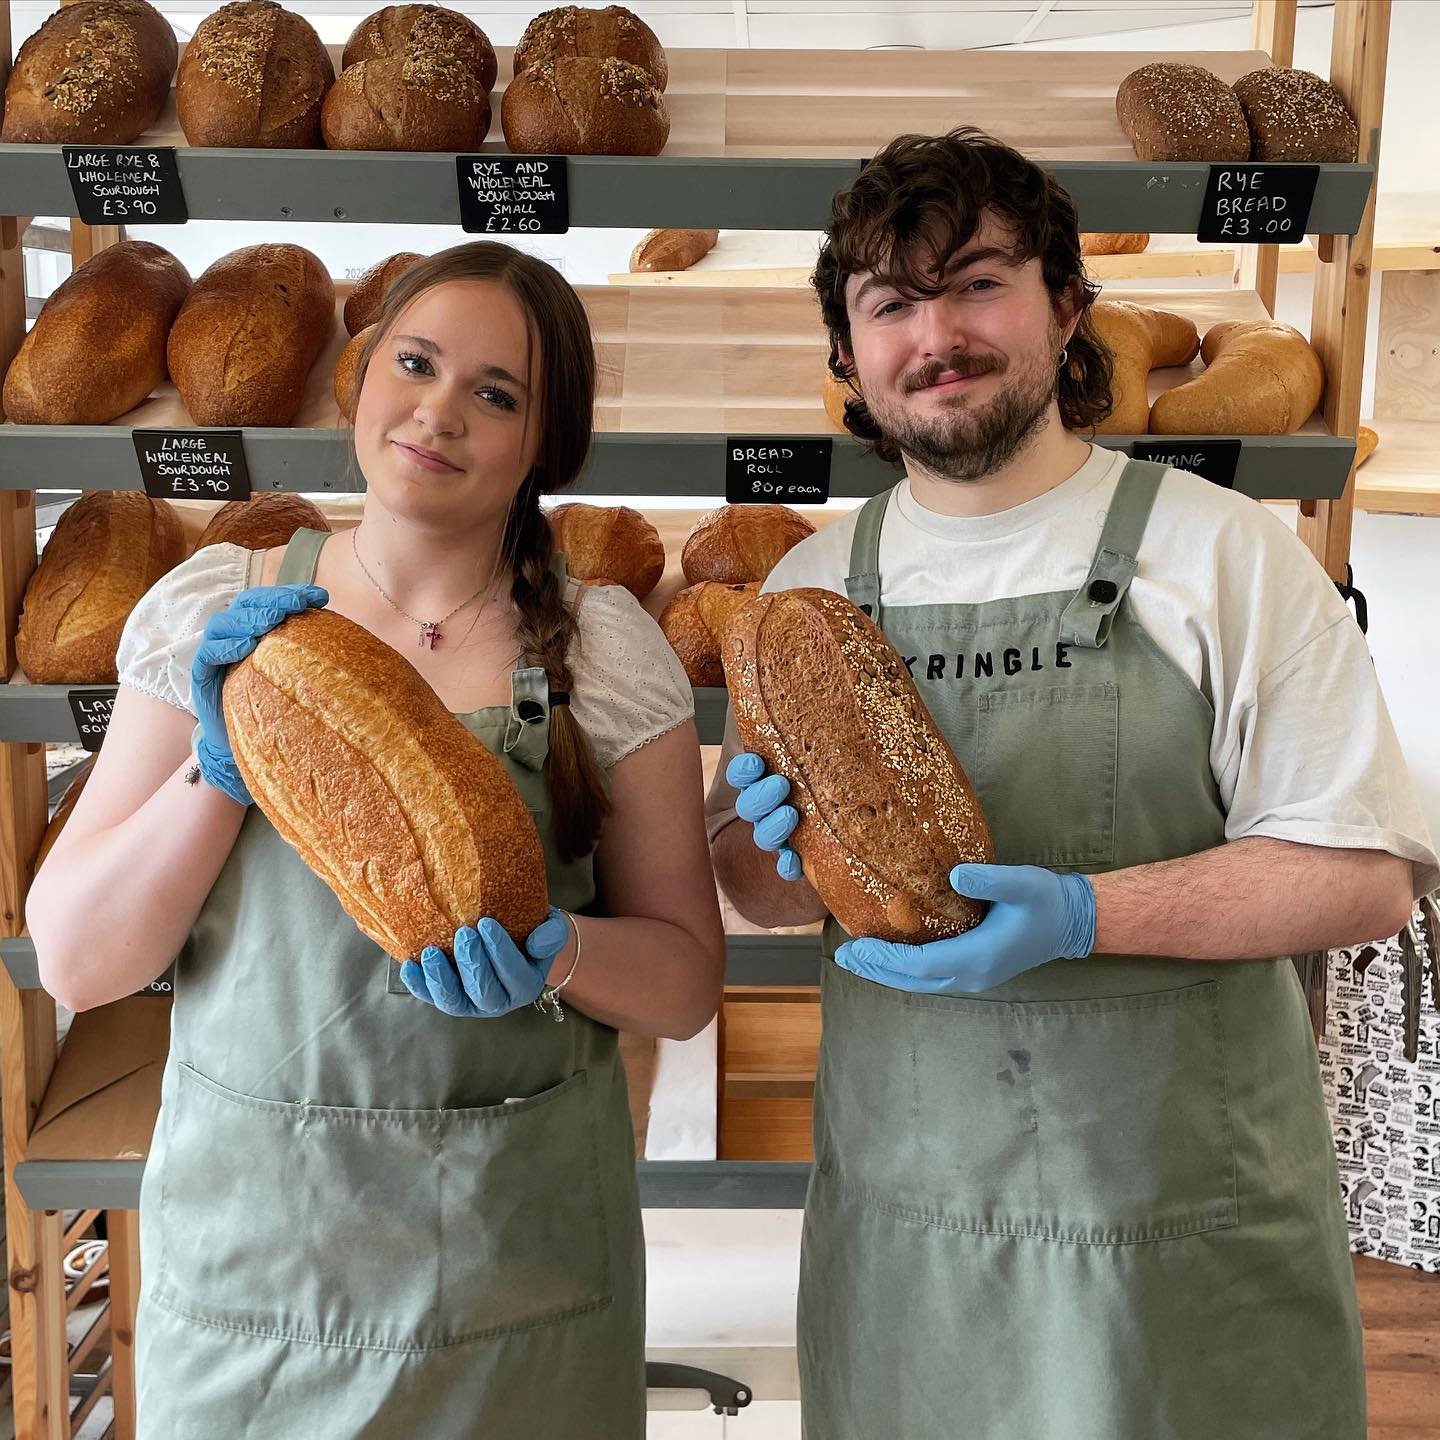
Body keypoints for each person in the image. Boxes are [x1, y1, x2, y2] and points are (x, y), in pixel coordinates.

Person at [706, 127, 1438, 1439]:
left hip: (1179, 1243)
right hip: (919, 1247)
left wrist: (1089, 916)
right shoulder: (801, 593)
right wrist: (760, 858)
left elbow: (1362, 879)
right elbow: (762, 903)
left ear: (1067, 304)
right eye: (892, 303)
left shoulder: (1223, 555)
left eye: (980, 282)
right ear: (851, 358)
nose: (939, 331)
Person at [28, 241, 726, 1437]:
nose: (439, 411)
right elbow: (79, 961)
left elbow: (683, 983)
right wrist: (221, 762)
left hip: (521, 1284)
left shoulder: (604, 648)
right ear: (360, 379)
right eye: (416, 363)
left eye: (495, 393)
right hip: (260, 1281)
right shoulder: (217, 609)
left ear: (541, 445)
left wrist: (561, 951)